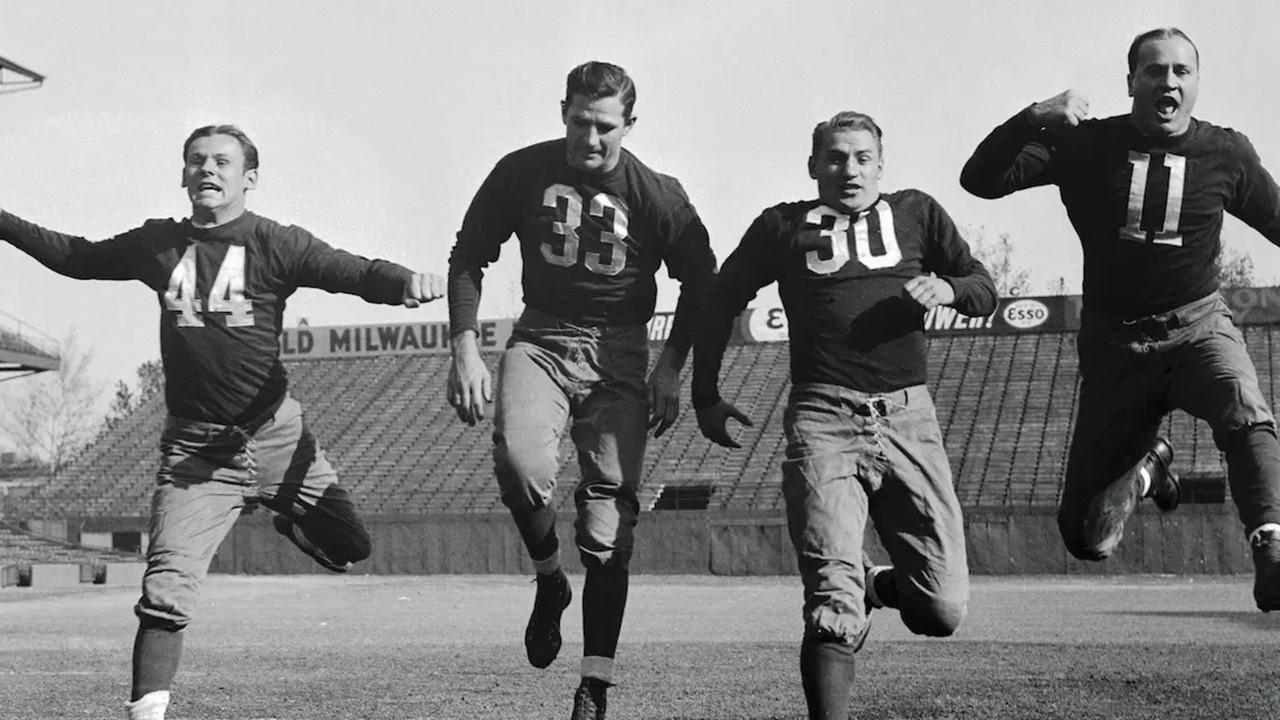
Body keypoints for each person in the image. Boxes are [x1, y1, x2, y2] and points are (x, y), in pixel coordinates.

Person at [0, 124, 445, 720]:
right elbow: (77, 258)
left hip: (277, 436)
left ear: (249, 178)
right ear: (183, 175)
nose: (208, 170)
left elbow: (351, 271)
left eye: (222, 162)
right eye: (196, 161)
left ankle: (290, 517)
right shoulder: (157, 244)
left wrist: (404, 283)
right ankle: (146, 714)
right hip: (196, 454)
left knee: (351, 547)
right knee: (165, 592)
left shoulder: (274, 242)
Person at [960, 27, 1280, 611]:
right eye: (1155, 70)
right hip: (1115, 347)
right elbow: (979, 180)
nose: (1169, 82)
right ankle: (1147, 469)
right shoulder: (1087, 145)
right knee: (1088, 537)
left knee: (1246, 407)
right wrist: (1032, 116)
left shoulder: (1227, 152)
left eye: (1182, 72)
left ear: (1197, 83)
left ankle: (1272, 548)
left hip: (1198, 325)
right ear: (1130, 81)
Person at [693, 111, 995, 720]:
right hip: (823, 416)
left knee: (941, 610)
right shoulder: (781, 224)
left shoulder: (918, 212)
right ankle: (845, 600)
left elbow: (982, 287)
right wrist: (704, 392)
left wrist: (949, 290)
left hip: (910, 417)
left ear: (881, 164)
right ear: (813, 167)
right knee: (832, 605)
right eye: (835, 158)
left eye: (862, 157)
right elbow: (721, 298)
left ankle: (875, 584)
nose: (849, 169)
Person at [446, 61, 716, 719]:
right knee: (520, 463)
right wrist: (465, 351)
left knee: (606, 529)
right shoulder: (522, 170)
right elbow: (469, 256)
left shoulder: (657, 194)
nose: (589, 140)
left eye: (604, 128)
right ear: (562, 110)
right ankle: (548, 581)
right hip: (542, 336)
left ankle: (594, 683)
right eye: (578, 123)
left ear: (629, 124)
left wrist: (673, 367)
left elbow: (702, 280)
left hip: (621, 349)